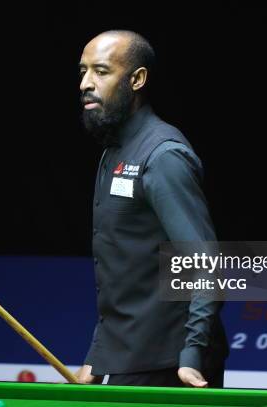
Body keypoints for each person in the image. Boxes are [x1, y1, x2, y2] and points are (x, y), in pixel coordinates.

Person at [75, 30, 228, 388]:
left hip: (174, 366)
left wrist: (191, 356)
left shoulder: (163, 156)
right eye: (82, 71)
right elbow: (125, 278)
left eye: (100, 71)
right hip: (131, 357)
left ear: (137, 79)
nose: (85, 83)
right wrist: (97, 358)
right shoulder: (113, 152)